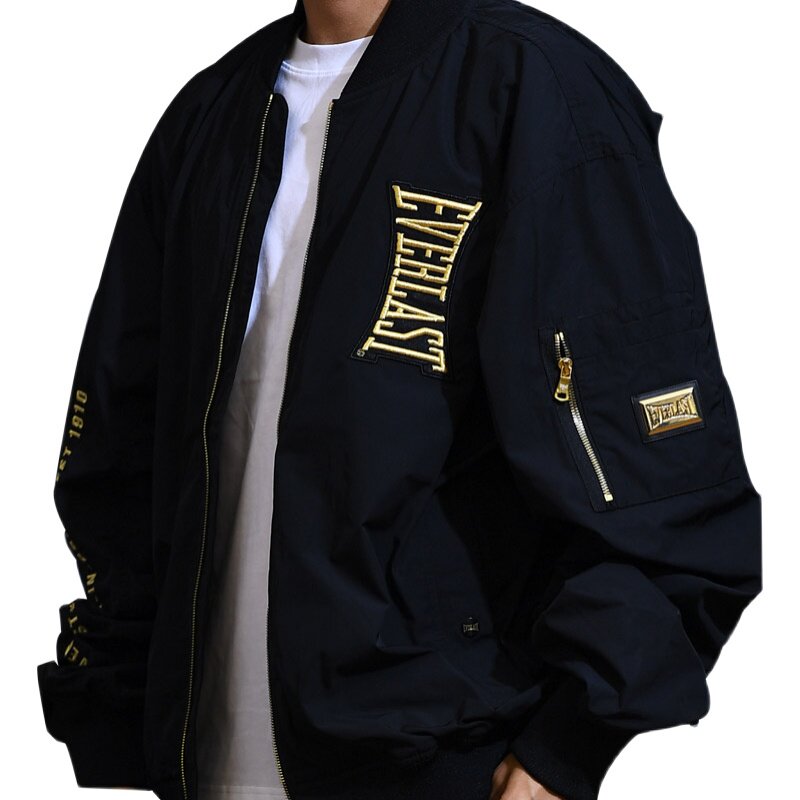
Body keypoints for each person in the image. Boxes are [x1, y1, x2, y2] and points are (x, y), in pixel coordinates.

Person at [36, 1, 762, 800]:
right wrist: (113, 708)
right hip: (201, 764)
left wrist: (566, 749)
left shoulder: (533, 88)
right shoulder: (210, 116)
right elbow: (117, 447)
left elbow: (661, 474)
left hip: (440, 757)